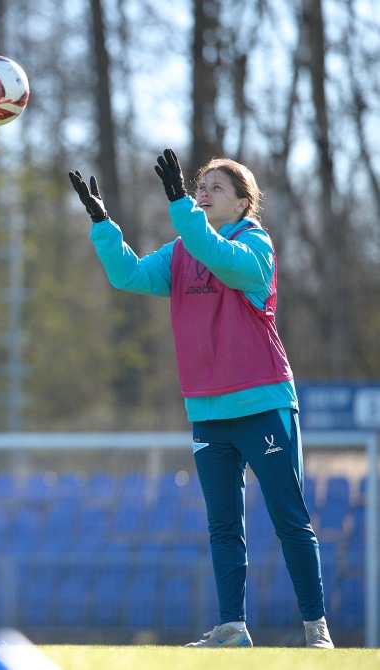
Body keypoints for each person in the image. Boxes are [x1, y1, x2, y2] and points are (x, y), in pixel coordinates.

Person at [68, 149, 333, 649]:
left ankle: (316, 630)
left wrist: (180, 208)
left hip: (262, 403)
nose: (202, 191)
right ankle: (232, 628)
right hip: (207, 410)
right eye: (199, 185)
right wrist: (102, 223)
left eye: (215, 187)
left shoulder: (256, 247)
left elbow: (217, 256)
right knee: (222, 527)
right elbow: (129, 276)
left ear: (242, 204)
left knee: (289, 520)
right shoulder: (182, 247)